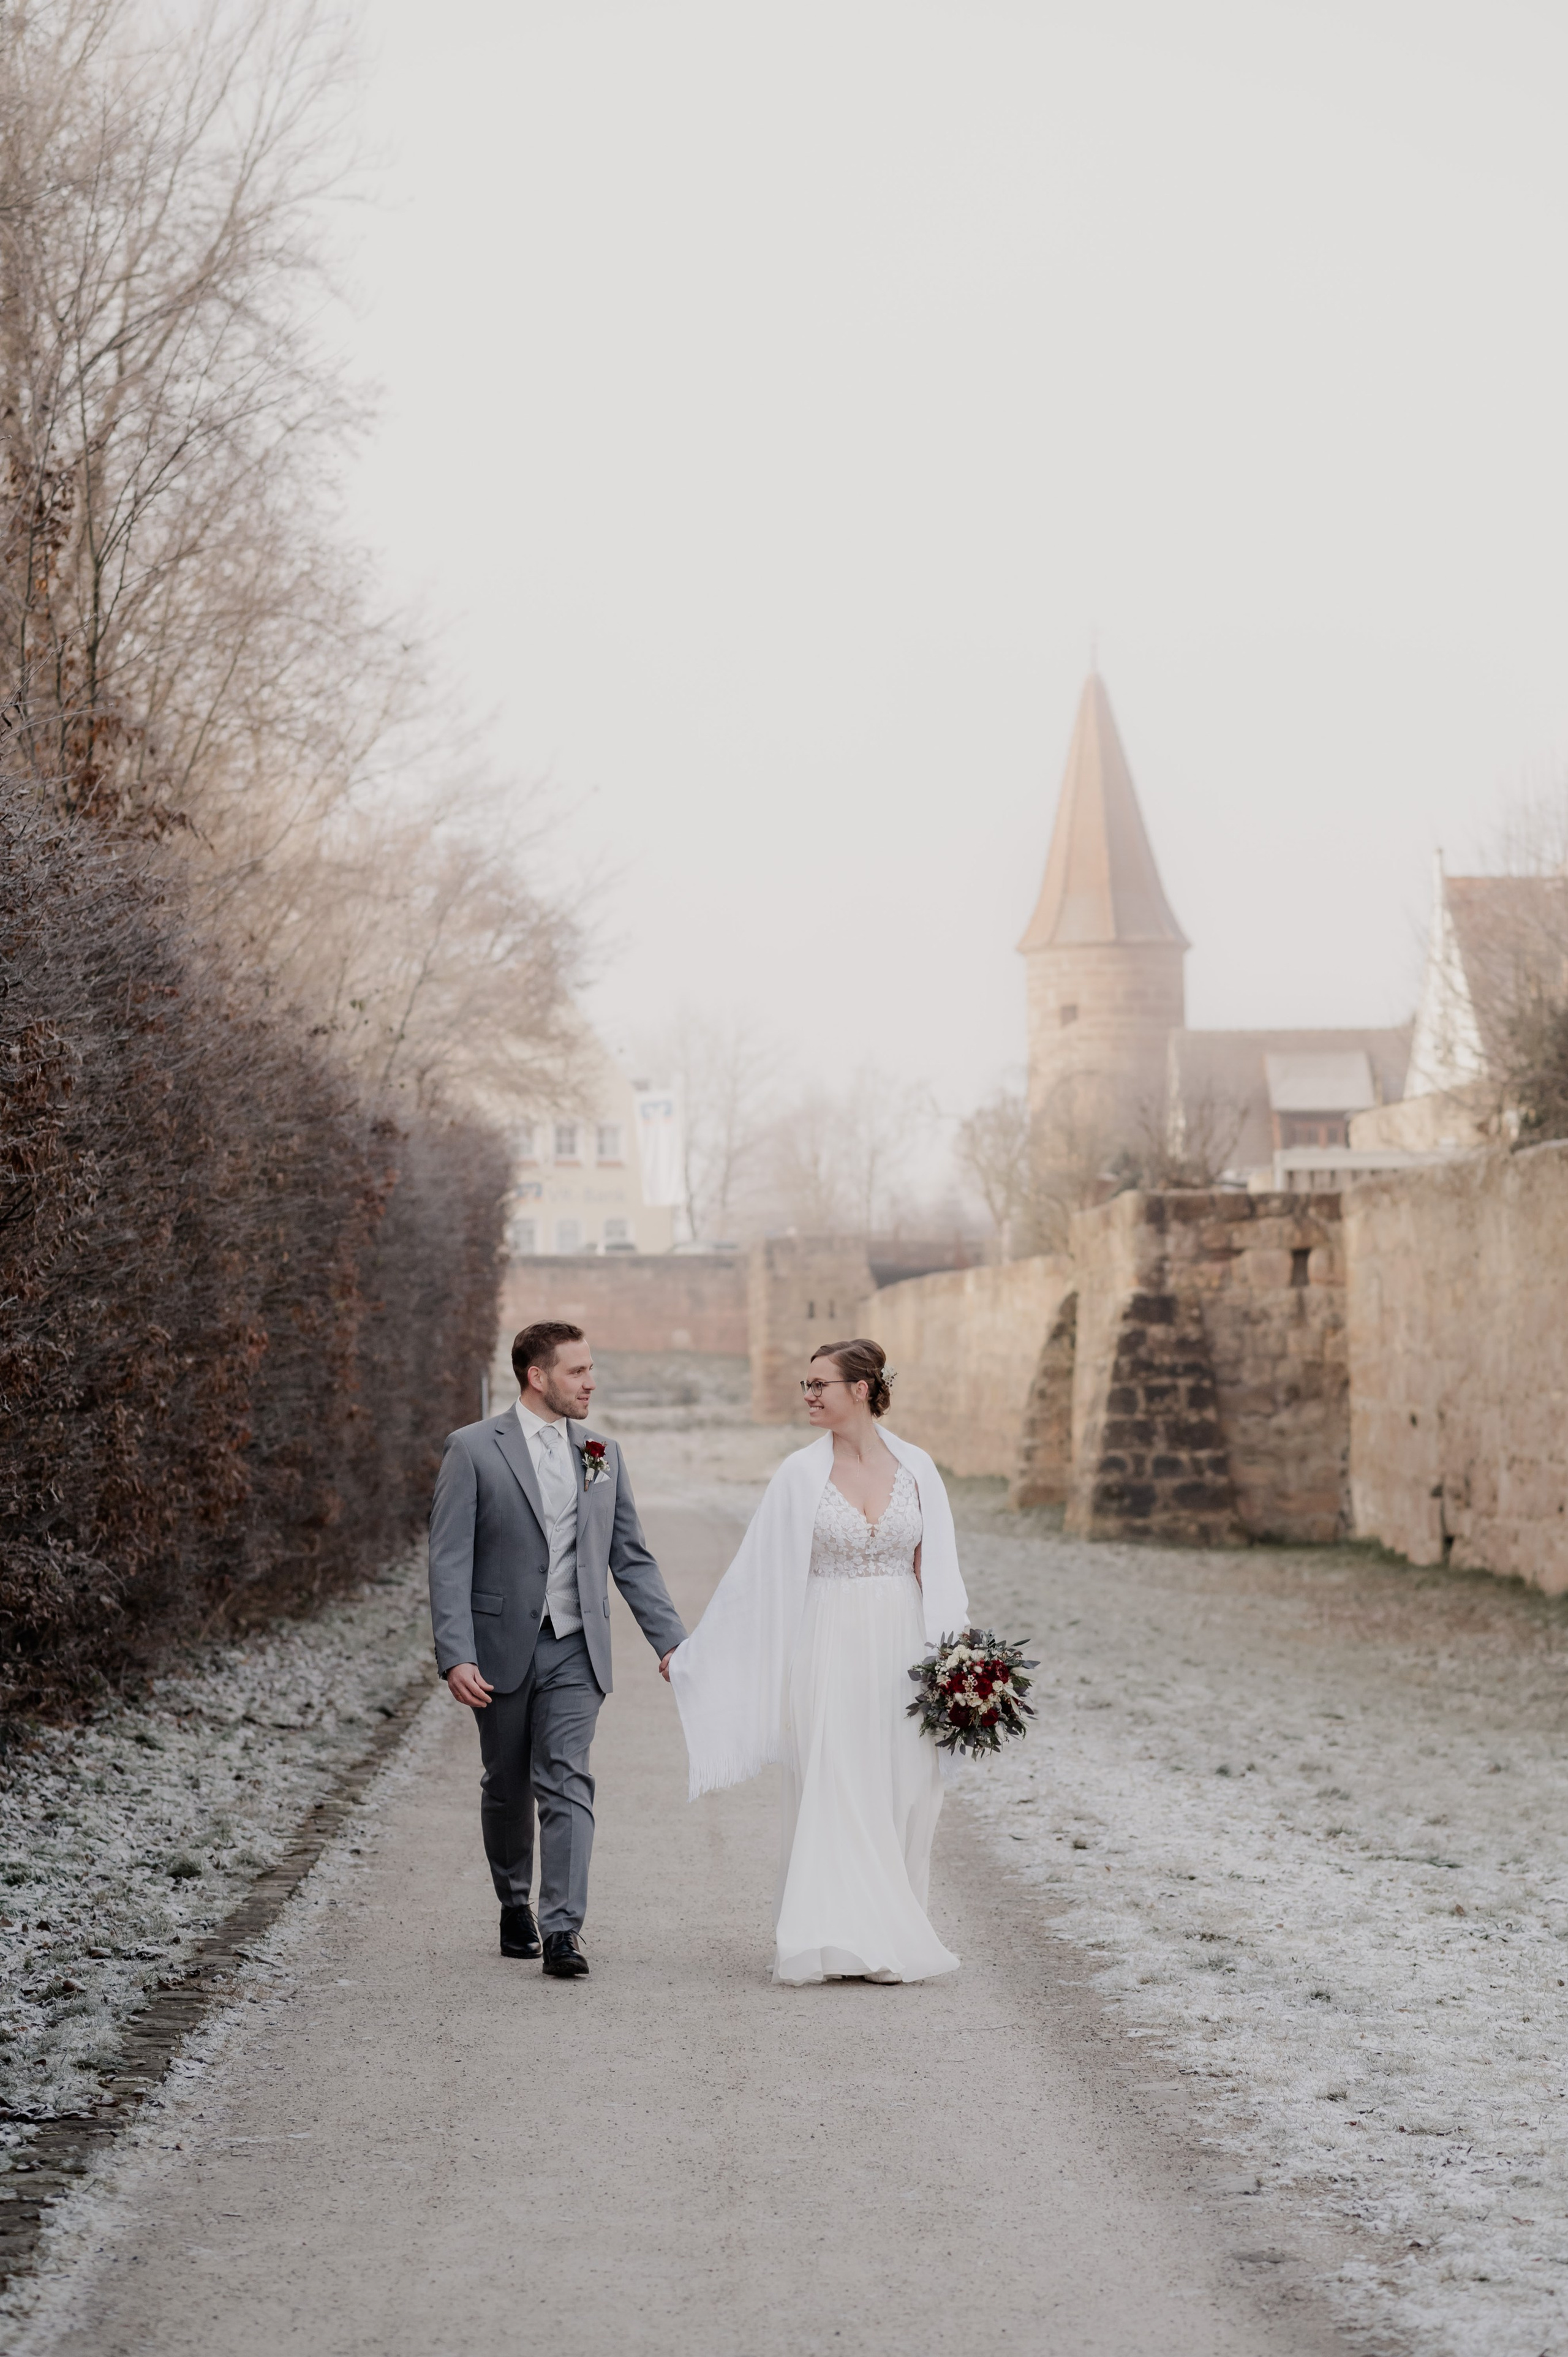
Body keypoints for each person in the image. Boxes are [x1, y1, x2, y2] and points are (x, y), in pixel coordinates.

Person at [666, 1337, 964, 1985]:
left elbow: (938, 1570)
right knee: (835, 1785)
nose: (808, 1395)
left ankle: (890, 1935)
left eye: (818, 1384)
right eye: (806, 1384)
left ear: (861, 1389)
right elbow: (756, 1577)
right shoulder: (798, 1475)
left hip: (903, 1651)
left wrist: (960, 1664)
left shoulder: (917, 1468)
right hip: (827, 1646)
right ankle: (830, 1941)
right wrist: (699, 1653)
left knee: (902, 1789)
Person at [428, 1322, 685, 1978]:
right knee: (506, 1784)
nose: (591, 1382)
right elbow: (449, 1559)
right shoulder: (472, 1448)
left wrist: (673, 1642)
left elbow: (630, 1556)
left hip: (577, 1647)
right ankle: (513, 1900)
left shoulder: (600, 1451)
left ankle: (563, 1927)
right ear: (537, 1376)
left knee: (566, 1777)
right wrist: (456, 1653)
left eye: (591, 1368)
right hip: (499, 1648)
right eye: (578, 1371)